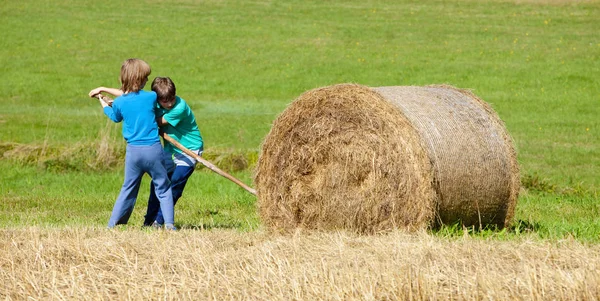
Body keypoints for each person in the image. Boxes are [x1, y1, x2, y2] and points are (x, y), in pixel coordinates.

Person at [88, 59, 176, 230]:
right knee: (163, 187)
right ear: (141, 80)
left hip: (133, 153)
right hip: (153, 150)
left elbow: (115, 116)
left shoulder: (120, 103)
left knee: (128, 188)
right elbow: (132, 97)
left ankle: (112, 225)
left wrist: (103, 100)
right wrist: (107, 93)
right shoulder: (151, 97)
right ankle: (170, 225)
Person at [143, 77, 204, 227]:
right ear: (157, 99)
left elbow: (155, 122)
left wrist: (139, 117)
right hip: (170, 149)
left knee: (176, 183)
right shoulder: (154, 103)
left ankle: (159, 221)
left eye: (171, 99)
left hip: (189, 150)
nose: (170, 103)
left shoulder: (180, 107)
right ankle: (148, 220)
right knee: (158, 182)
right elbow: (133, 97)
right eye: (165, 101)